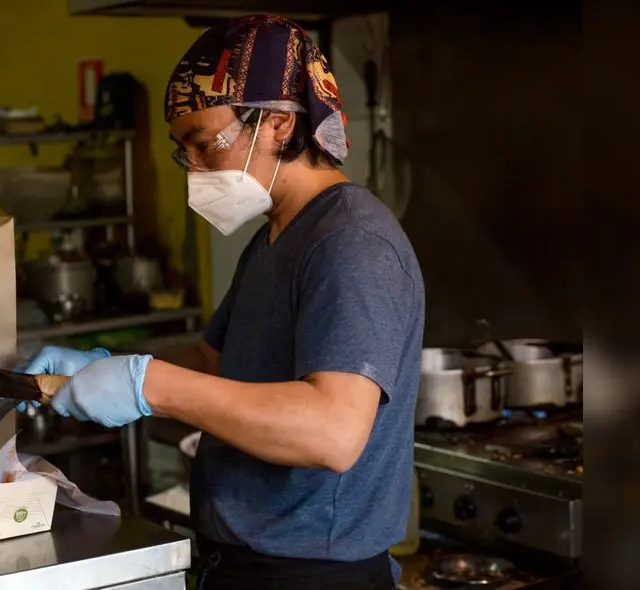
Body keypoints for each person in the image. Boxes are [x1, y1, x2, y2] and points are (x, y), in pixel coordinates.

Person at [21, 15, 424, 590]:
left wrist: (148, 385)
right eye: (184, 151)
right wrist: (102, 362)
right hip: (237, 564)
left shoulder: (352, 243)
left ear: (280, 122)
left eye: (207, 144)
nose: (196, 170)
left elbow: (331, 432)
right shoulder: (275, 237)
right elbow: (218, 361)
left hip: (313, 577)